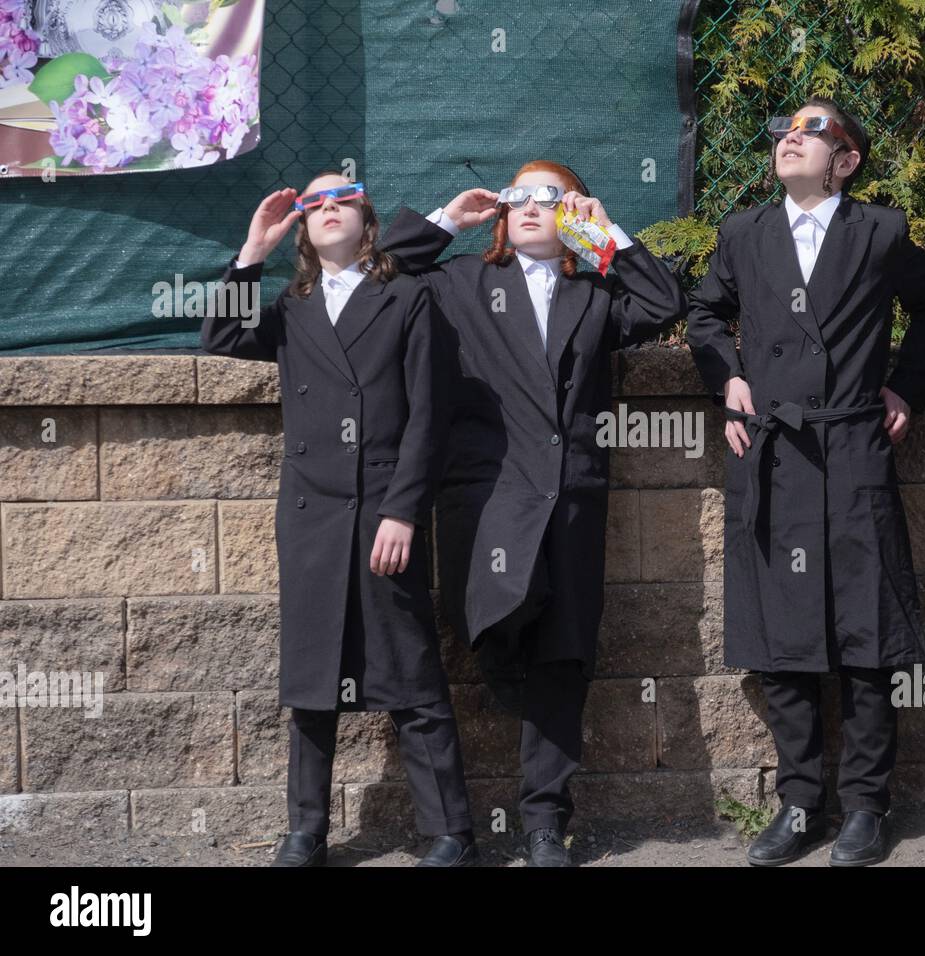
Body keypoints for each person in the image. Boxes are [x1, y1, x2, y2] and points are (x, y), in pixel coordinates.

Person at [379, 162, 686, 866]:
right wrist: (449, 219)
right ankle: (505, 687)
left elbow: (664, 300)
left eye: (548, 198)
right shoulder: (461, 284)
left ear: (570, 215)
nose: (527, 206)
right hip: (488, 499)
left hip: (570, 496)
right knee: (490, 628)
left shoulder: (594, 294)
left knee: (563, 656)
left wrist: (607, 234)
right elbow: (384, 275)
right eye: (516, 196)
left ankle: (545, 820)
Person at [687, 98, 925, 866]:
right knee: (784, 636)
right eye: (783, 130)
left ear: (848, 159)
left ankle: (866, 805)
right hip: (775, 455)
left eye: (813, 130)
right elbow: (704, 316)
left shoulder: (884, 231)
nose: (790, 138)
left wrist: (906, 385)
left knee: (868, 634)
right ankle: (800, 802)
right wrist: (727, 381)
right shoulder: (744, 233)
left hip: (856, 446)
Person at [201, 172, 475, 867]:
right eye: (311, 203)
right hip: (311, 515)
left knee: (411, 670)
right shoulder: (291, 309)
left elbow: (429, 418)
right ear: (301, 230)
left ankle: (449, 833)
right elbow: (222, 335)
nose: (326, 208)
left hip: (386, 510)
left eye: (341, 198)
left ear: (367, 221)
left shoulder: (408, 297)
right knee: (311, 675)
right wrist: (252, 249)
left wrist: (404, 512)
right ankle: (305, 831)